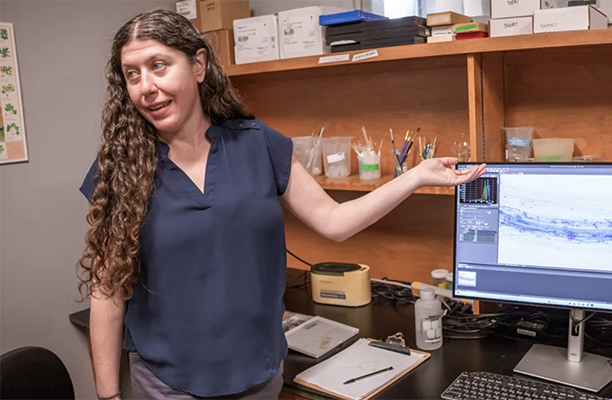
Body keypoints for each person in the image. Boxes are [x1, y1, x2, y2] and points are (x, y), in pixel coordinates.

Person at [76, 8, 485, 400]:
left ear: (198, 66)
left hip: (259, 375)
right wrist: (108, 392)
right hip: (167, 383)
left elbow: (335, 221)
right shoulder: (122, 168)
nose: (146, 86)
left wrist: (416, 176)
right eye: (133, 74)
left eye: (159, 65)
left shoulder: (258, 144)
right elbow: (108, 289)